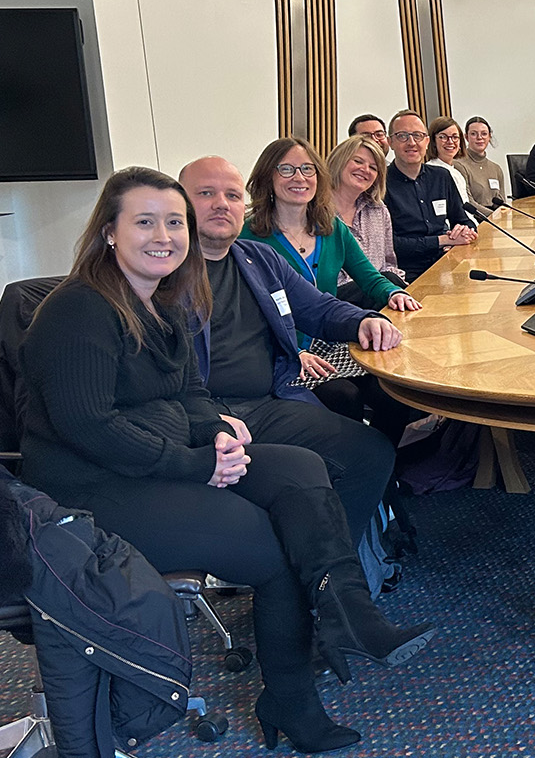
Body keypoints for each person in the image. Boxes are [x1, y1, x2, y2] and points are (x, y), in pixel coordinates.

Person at [18, 167, 433, 753]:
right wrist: (198, 465)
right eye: (144, 221)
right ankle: (292, 697)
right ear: (109, 232)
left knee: (299, 468)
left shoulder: (163, 299)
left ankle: (349, 611)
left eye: (172, 222)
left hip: (161, 457)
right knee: (269, 545)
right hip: (90, 488)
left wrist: (216, 432)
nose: (164, 235)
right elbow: (90, 428)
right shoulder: (80, 310)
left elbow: (189, 394)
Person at [180, 156, 400, 546]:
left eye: (231, 195)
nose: (221, 203)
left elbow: (318, 308)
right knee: (305, 474)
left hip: (272, 400)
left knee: (371, 453)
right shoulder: (165, 275)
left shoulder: (259, 260)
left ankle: (333, 564)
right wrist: (205, 418)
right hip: (208, 414)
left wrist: (364, 321)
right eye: (205, 194)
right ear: (181, 204)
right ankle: (316, 570)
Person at [237, 139, 422, 447]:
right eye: (287, 169)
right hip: (284, 352)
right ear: (268, 177)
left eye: (307, 169)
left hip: (329, 339)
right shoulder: (249, 236)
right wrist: (294, 352)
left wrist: (393, 294)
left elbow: (369, 277)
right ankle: (354, 473)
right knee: (344, 398)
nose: (299, 177)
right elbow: (245, 317)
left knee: (395, 391)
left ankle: (383, 473)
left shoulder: (331, 226)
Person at [384, 109, 476, 282]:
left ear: (426, 141)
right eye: (403, 136)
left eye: (417, 136)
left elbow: (463, 219)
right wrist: (441, 240)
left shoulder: (441, 176)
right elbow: (390, 245)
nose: (411, 142)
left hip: (448, 262)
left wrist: (464, 231)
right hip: (407, 273)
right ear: (391, 142)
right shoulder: (381, 184)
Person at [327, 133, 406, 293]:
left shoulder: (378, 210)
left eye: (373, 168)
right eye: (358, 161)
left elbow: (389, 264)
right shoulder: (314, 211)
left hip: (379, 293)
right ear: (339, 161)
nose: (365, 170)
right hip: (335, 300)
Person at [459, 116, 508, 209]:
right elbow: (468, 202)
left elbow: (502, 202)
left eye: (484, 134)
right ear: (466, 137)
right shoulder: (460, 165)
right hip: (476, 218)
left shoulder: (496, 168)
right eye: (474, 134)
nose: (479, 138)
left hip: (496, 218)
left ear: (489, 136)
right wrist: (492, 217)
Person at [424, 116, 471, 208]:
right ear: (433, 141)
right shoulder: (430, 173)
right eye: (443, 137)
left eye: (455, 137)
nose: (450, 142)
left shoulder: (457, 173)